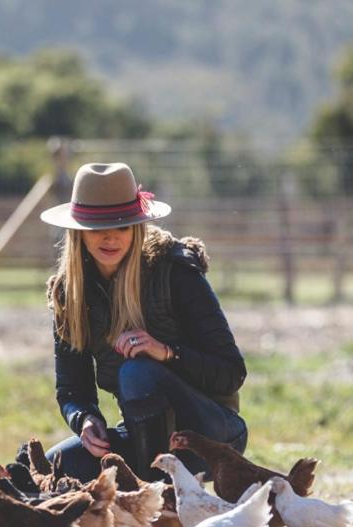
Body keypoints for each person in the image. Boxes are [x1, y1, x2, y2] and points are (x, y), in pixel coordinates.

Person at [37, 162, 247, 483]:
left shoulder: (175, 272)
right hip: (141, 436)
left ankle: (156, 500)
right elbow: (72, 389)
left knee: (138, 371)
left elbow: (231, 374)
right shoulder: (69, 293)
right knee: (44, 467)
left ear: (136, 227)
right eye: (97, 227)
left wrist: (166, 352)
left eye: (121, 226)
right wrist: (84, 420)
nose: (110, 237)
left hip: (211, 437)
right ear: (78, 230)